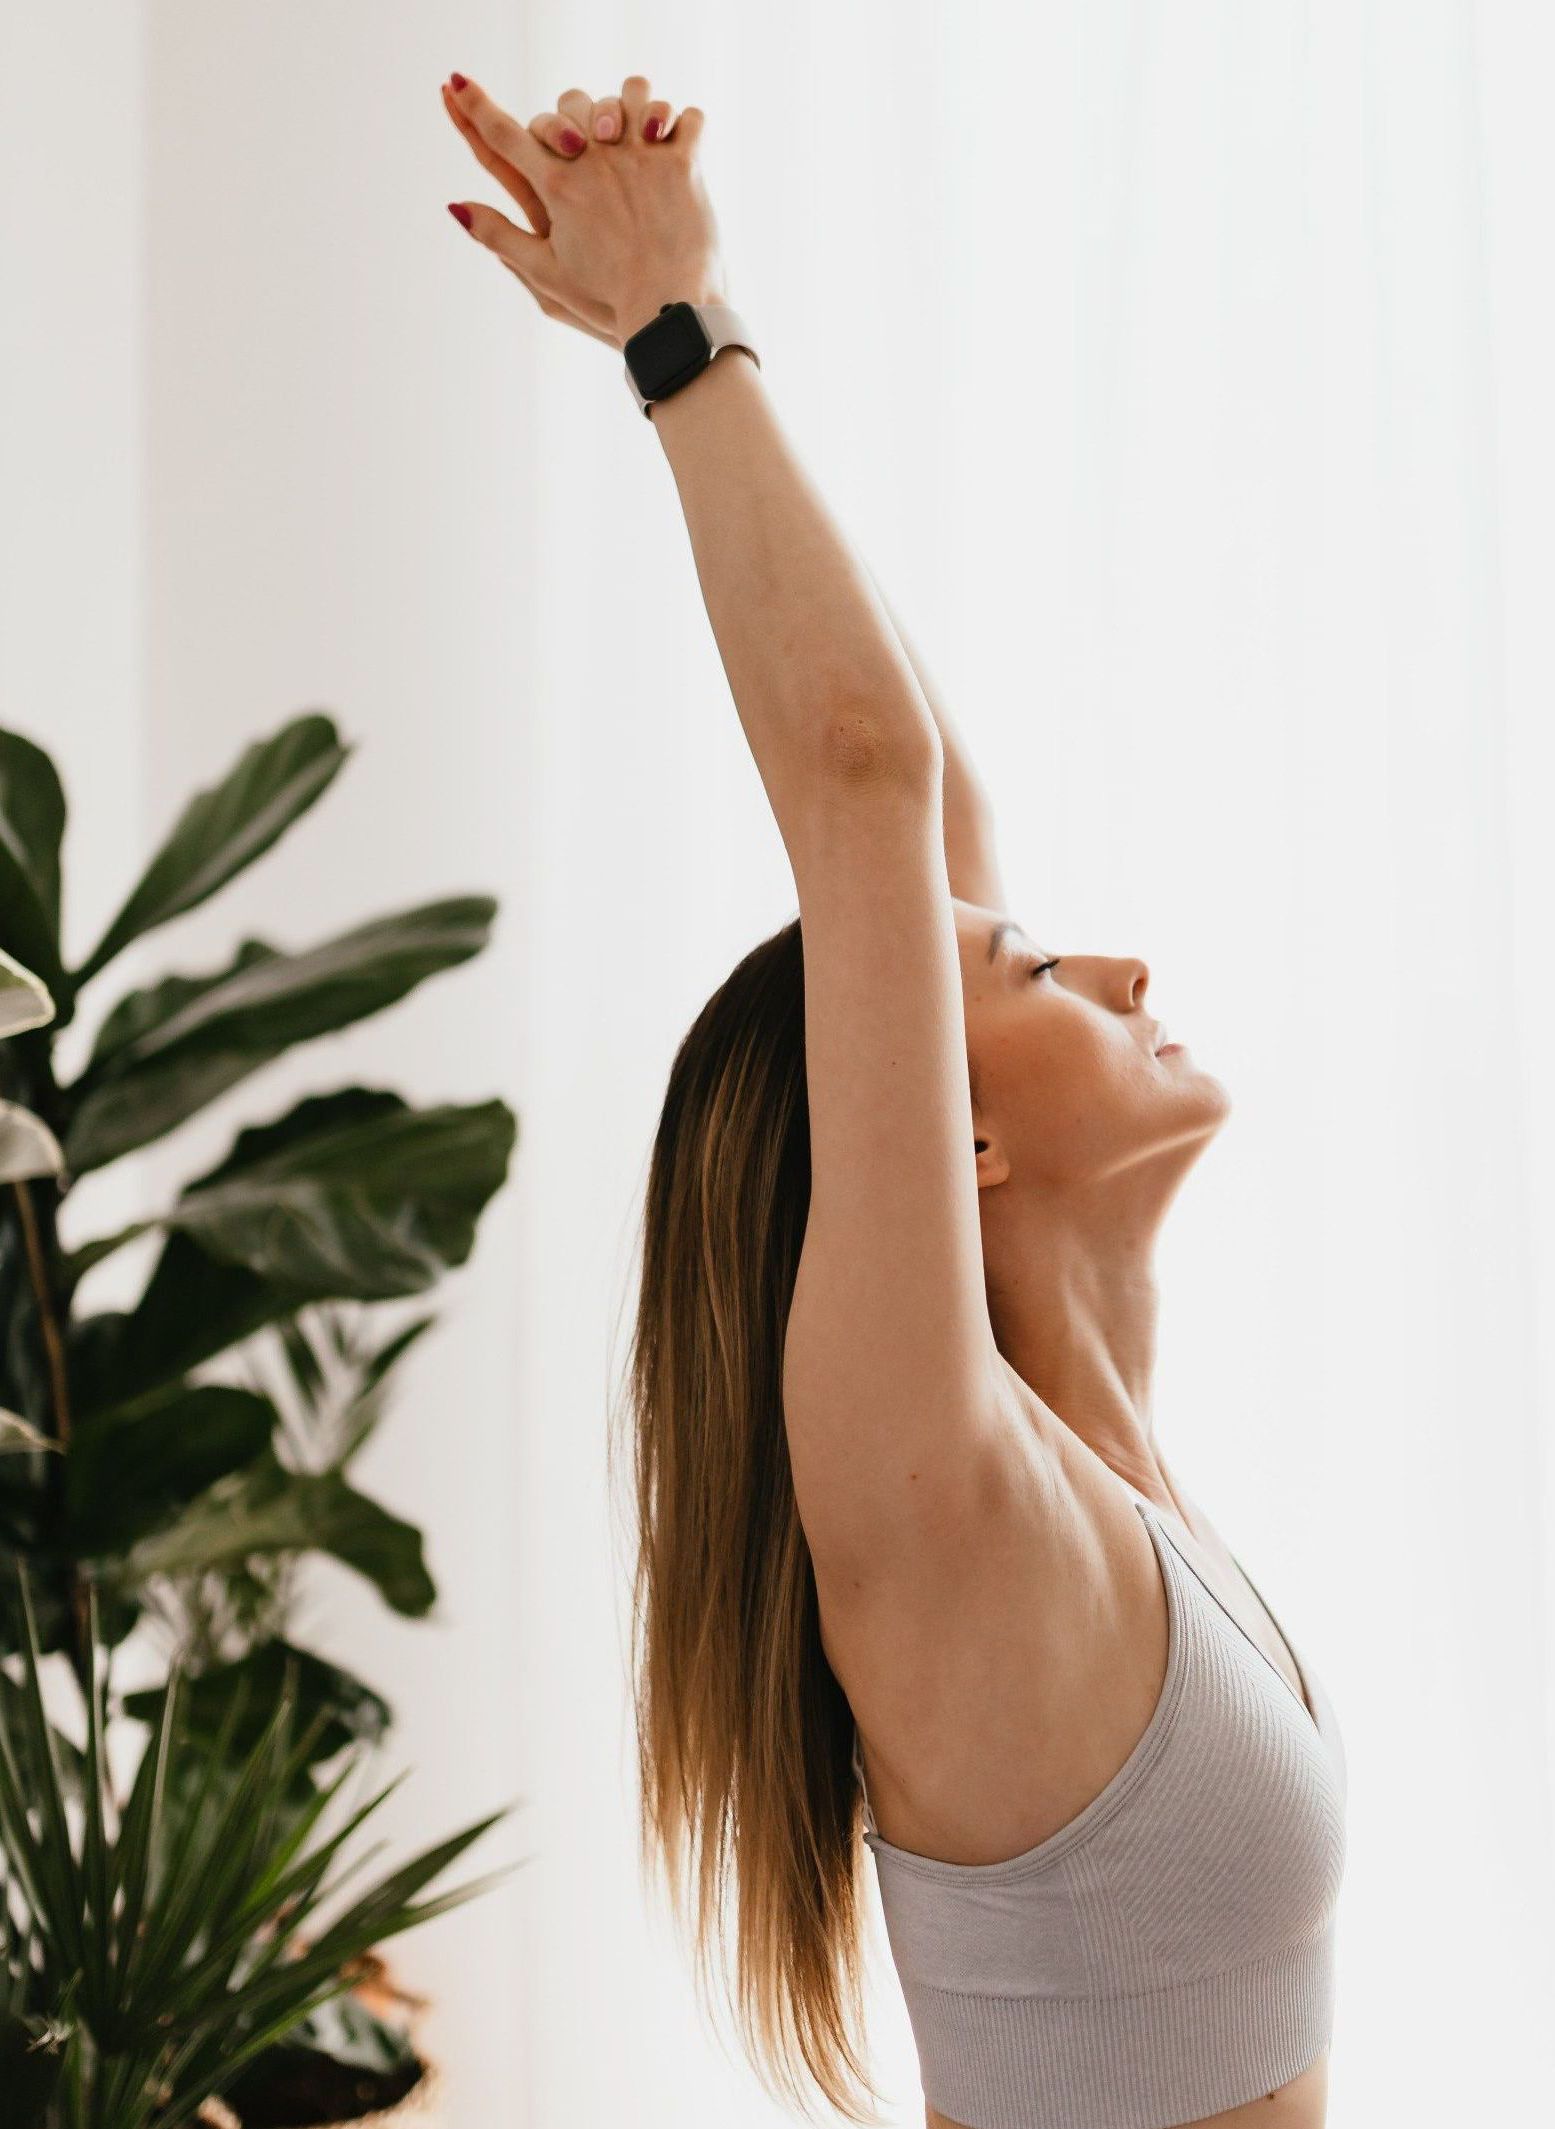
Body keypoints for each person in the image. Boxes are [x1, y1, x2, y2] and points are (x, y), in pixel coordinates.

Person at [442, 70, 1348, 2129]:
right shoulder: (939, 1497)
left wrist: (698, 297)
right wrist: (678, 342)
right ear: (957, 1140)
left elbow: (927, 815)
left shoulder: (1088, 1482)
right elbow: (865, 789)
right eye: (1037, 973)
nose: (1115, 965)